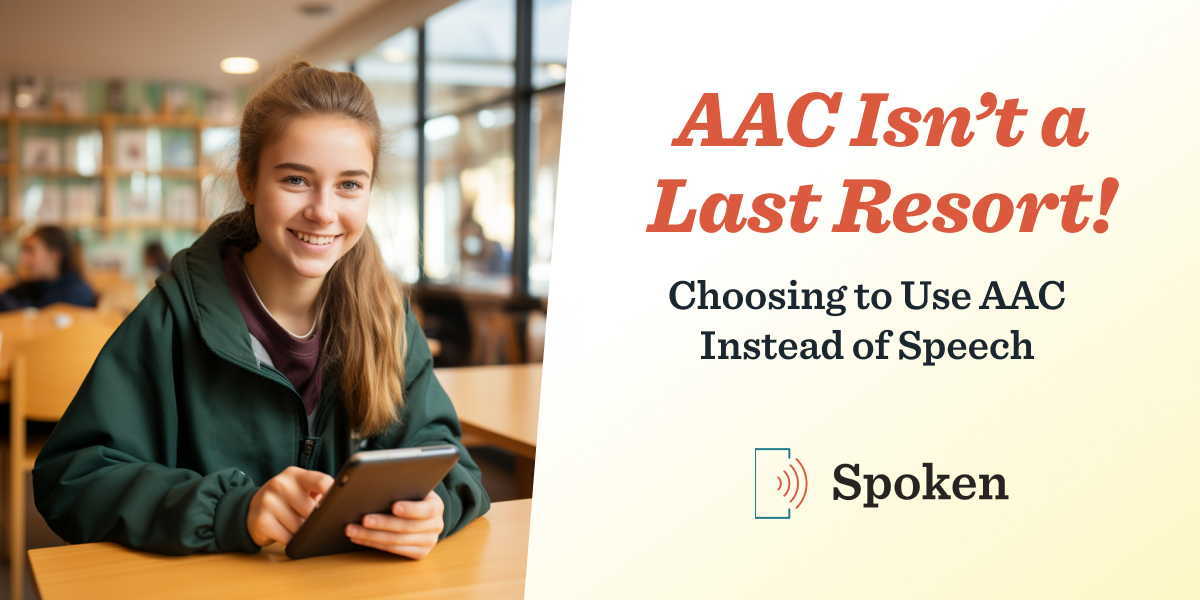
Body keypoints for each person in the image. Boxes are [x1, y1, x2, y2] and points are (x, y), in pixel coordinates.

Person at [32, 61, 490, 558]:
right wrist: (232, 511)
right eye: (296, 179)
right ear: (248, 181)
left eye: (349, 185)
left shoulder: (388, 318)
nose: (323, 210)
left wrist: (435, 508)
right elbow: (72, 479)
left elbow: (456, 467)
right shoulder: (172, 317)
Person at [0, 226, 96, 311]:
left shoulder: (77, 293)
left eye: (31, 250)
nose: (23, 258)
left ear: (54, 255)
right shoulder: (34, 285)